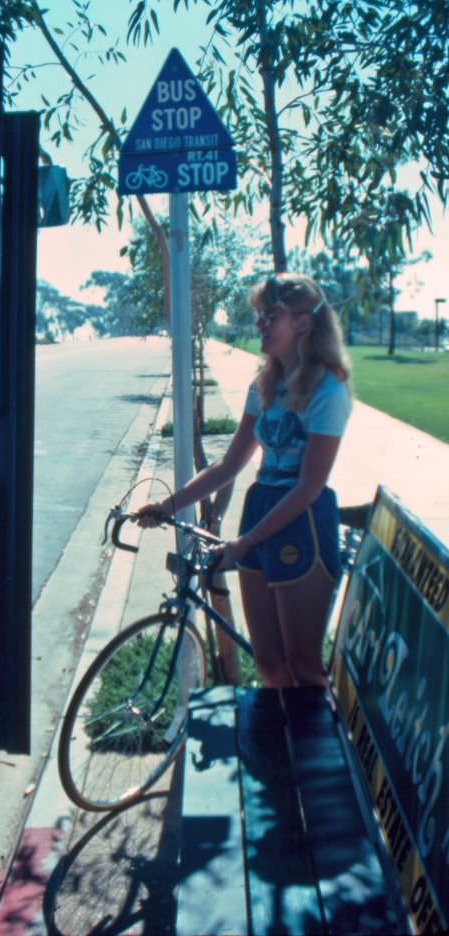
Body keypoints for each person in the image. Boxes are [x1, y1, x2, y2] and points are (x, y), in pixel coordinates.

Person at [137, 274, 352, 688]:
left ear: (304, 323)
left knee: (303, 666)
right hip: (260, 509)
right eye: (259, 315)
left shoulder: (328, 389)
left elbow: (309, 487)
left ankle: (306, 751)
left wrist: (245, 543)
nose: (260, 324)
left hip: (302, 521)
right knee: (269, 663)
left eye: (272, 316)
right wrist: (167, 506)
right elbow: (230, 464)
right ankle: (278, 748)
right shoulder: (265, 384)